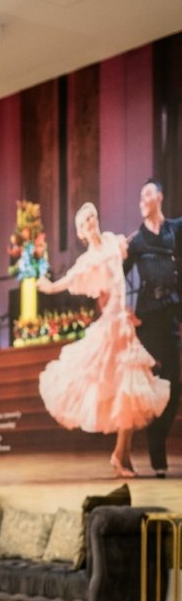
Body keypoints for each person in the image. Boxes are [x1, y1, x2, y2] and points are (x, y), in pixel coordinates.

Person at [37, 202, 169, 477]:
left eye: (92, 218)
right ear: (81, 233)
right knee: (113, 383)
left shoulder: (111, 241)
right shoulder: (88, 260)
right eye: (85, 222)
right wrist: (49, 286)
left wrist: (151, 226)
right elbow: (69, 279)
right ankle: (121, 456)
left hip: (123, 323)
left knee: (131, 389)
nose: (91, 223)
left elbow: (130, 243)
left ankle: (121, 454)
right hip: (111, 325)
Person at [123, 179, 182, 477]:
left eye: (148, 192)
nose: (143, 198)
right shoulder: (137, 240)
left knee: (174, 385)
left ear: (159, 196)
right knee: (153, 384)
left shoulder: (175, 228)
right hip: (147, 319)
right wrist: (123, 309)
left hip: (171, 314)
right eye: (140, 194)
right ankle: (157, 455)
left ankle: (157, 435)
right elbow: (115, 275)